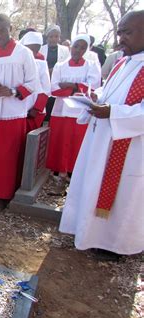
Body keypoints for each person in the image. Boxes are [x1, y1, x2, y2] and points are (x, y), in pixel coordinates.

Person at [59, 10, 144, 258]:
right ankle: (89, 233)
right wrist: (97, 98)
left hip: (128, 147)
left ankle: (115, 245)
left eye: (127, 32)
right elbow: (109, 92)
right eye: (119, 32)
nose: (120, 39)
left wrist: (113, 112)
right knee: (92, 182)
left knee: (123, 192)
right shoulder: (122, 62)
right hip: (101, 140)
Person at [0, 14, 38, 211]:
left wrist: (12, 91)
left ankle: (3, 195)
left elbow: (33, 83)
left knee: (7, 156)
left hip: (13, 113)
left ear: (10, 28)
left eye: (1, 31)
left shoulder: (24, 53)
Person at [45, 34, 101, 178]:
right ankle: (58, 170)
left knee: (78, 142)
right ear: (71, 47)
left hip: (80, 112)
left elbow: (93, 88)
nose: (78, 50)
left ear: (87, 50)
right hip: (61, 110)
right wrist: (77, 88)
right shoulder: (60, 66)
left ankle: (73, 171)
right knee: (60, 140)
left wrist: (71, 85)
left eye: (82, 48)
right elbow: (54, 89)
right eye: (76, 46)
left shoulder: (92, 65)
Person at [20, 31, 51, 132]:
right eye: (30, 49)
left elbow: (46, 88)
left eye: (36, 50)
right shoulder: (17, 61)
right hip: (18, 108)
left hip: (34, 111)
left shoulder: (41, 62)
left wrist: (36, 109)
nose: (33, 53)